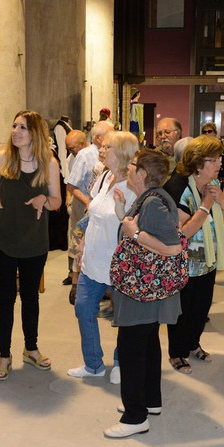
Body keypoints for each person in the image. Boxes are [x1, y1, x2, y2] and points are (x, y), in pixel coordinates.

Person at [104, 149, 184, 438]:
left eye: (134, 165)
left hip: (143, 290)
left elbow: (173, 246)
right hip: (147, 290)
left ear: (143, 175)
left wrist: (135, 233)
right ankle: (150, 402)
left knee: (132, 348)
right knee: (148, 344)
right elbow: (134, 227)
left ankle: (135, 417)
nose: (129, 167)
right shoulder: (150, 199)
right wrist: (124, 214)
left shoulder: (153, 204)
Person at [0, 110, 62, 381]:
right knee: (6, 298)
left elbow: (57, 202)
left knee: (30, 297)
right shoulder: (3, 159)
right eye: (14, 126)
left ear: (35, 133)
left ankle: (31, 348)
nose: (15, 131)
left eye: (23, 128)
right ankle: (4, 355)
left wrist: (43, 199)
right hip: (3, 239)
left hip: (34, 242)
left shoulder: (49, 164)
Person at [68, 132, 139, 381]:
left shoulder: (133, 186)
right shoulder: (104, 176)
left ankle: (121, 362)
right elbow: (93, 216)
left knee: (123, 318)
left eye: (107, 146)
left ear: (121, 153)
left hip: (120, 264)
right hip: (93, 260)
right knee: (83, 309)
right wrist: (82, 248)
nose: (100, 149)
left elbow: (134, 226)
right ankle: (93, 365)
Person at [163, 136, 224, 374]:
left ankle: (193, 344)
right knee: (182, 311)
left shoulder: (212, 183)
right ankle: (177, 353)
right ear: (197, 163)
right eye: (213, 160)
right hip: (185, 262)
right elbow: (182, 232)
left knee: (201, 309)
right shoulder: (179, 187)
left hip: (207, 260)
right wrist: (205, 205)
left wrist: (222, 200)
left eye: (220, 159)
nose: (219, 164)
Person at [65, 121, 113, 301]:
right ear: (99, 137)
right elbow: (72, 185)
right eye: (109, 134)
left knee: (97, 245)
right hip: (84, 204)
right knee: (80, 245)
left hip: (99, 208)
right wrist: (88, 202)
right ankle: (76, 287)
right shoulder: (85, 155)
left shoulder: (109, 153)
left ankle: (101, 286)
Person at [63, 130, 90, 285]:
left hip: (86, 201)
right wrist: (69, 198)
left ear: (81, 143)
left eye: (72, 148)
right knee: (74, 238)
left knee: (83, 240)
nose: (70, 151)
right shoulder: (71, 158)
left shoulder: (87, 155)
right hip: (78, 201)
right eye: (68, 148)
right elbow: (70, 182)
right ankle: (72, 274)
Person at [201, 121, 224, 191]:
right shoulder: (201, 147)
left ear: (215, 133)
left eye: (209, 131)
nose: (207, 133)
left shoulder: (223, 143)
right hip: (207, 181)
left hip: (222, 180)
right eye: (204, 132)